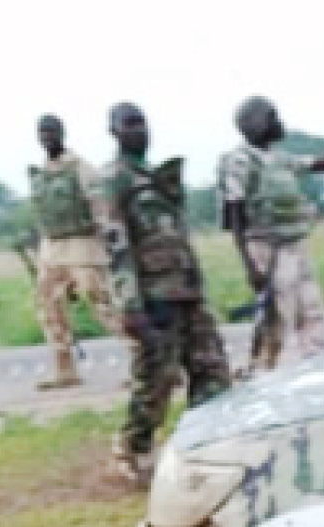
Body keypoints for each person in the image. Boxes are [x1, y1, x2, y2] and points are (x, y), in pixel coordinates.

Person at [97, 103, 232, 487]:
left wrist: (199, 287)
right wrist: (130, 305)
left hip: (186, 289)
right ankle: (132, 448)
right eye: (129, 125)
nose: (138, 131)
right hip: (152, 295)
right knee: (157, 378)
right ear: (114, 132)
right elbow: (116, 245)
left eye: (142, 123)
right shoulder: (114, 181)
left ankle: (205, 449)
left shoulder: (159, 178)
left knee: (211, 370)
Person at [218, 98, 324, 370]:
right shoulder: (240, 161)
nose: (278, 122)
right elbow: (234, 211)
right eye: (272, 117)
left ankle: (317, 366)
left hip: (294, 243)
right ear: (256, 123)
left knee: (311, 310)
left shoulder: (280, 159)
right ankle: (264, 373)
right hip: (266, 246)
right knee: (277, 316)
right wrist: (250, 265)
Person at [26, 115, 128, 391]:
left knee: (104, 307)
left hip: (83, 247)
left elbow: (101, 209)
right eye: (42, 132)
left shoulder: (82, 170)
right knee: (50, 311)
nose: (46, 137)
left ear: (62, 133)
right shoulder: (41, 174)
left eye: (51, 132)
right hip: (52, 250)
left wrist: (111, 244)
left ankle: (142, 360)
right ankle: (64, 369)